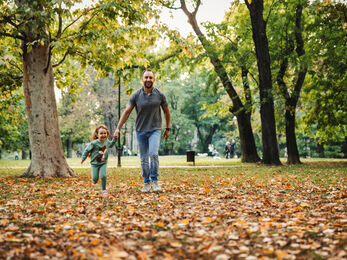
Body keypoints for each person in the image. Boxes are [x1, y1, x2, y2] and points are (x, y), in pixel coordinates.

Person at [114, 69, 171, 193]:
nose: (148, 80)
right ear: (142, 79)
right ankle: (146, 182)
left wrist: (167, 128)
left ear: (154, 79)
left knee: (153, 154)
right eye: (146, 77)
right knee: (144, 158)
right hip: (140, 131)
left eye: (151, 77)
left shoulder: (160, 95)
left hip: (155, 129)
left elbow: (166, 111)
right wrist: (118, 128)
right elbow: (126, 112)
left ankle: (155, 181)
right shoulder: (136, 95)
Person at [81, 125, 116, 197]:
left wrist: (115, 139)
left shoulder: (106, 141)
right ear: (97, 134)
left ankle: (104, 190)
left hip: (103, 163)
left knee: (103, 176)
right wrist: (83, 158)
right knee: (95, 178)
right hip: (94, 163)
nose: (103, 135)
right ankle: (94, 180)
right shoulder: (94, 143)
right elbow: (87, 150)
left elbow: (111, 145)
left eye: (105, 133)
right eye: (101, 133)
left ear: (107, 134)